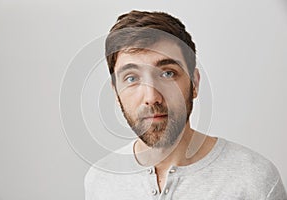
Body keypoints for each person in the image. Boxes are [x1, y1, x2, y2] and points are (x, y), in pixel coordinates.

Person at [84, 10, 287, 199]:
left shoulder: (255, 181)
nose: (151, 96)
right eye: (131, 78)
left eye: (168, 74)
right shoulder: (100, 180)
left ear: (195, 83)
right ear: (116, 91)